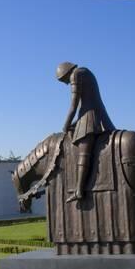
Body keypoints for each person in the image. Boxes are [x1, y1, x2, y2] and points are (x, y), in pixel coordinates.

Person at [56, 62, 116, 203]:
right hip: (93, 114)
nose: (66, 83)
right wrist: (75, 123)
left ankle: (79, 190)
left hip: (91, 117)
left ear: (66, 73)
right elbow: (87, 103)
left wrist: (65, 126)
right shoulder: (86, 72)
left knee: (84, 151)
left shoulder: (76, 75)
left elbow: (74, 105)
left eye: (64, 80)